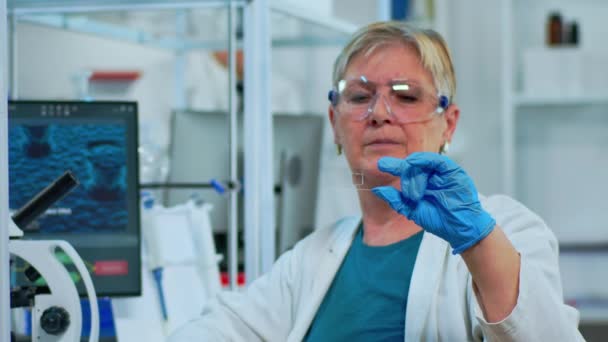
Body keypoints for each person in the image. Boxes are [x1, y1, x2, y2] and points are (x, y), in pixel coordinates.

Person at [170, 21, 583, 341]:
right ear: (334, 123)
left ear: (448, 124)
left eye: (405, 96)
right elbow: (223, 328)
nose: (380, 113)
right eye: (359, 96)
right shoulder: (312, 259)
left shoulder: (507, 230)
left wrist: (480, 245)